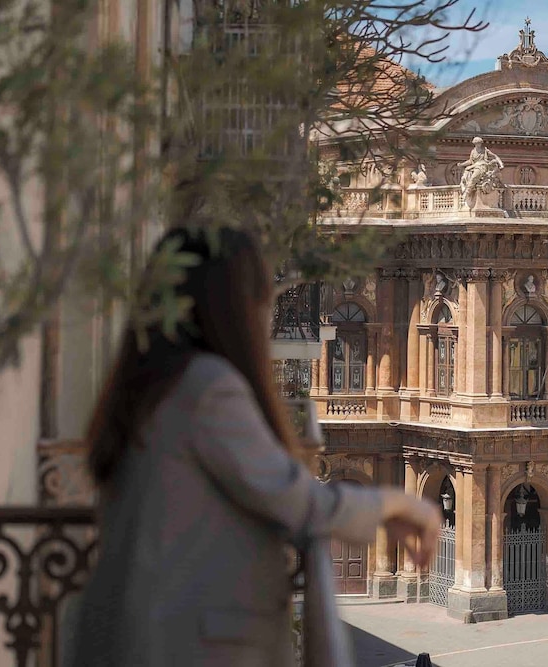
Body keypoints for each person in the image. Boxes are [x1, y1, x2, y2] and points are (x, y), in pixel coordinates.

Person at [70, 209, 441, 666]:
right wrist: (396, 505)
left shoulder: (148, 384)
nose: (267, 312)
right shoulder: (206, 388)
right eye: (262, 295)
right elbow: (298, 501)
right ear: (229, 306)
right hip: (177, 643)